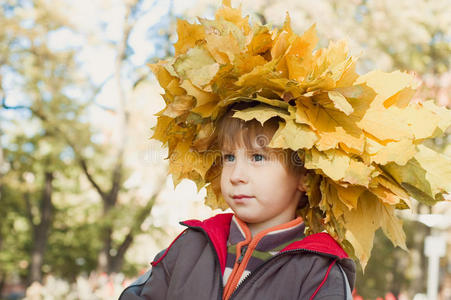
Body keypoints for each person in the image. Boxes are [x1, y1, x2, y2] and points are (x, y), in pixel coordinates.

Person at [119, 103, 356, 299]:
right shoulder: (191, 245)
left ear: (304, 176)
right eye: (229, 157)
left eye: (258, 157)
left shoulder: (319, 272)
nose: (235, 175)